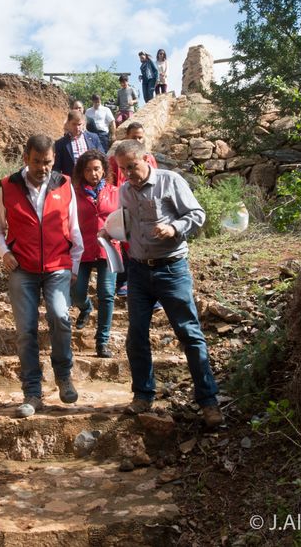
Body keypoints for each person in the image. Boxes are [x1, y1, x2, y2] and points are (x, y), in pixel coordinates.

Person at [109, 139, 224, 428]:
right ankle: (143, 395)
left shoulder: (171, 181)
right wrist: (111, 230)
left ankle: (209, 403)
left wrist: (174, 227)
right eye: (123, 169)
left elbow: (197, 214)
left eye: (132, 167)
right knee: (135, 335)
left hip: (172, 270)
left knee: (189, 333)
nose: (128, 175)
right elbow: (125, 224)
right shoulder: (124, 191)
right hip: (137, 272)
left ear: (145, 159)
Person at [0, 135, 84, 418]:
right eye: (36, 162)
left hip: (57, 266)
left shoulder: (65, 185)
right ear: (25, 158)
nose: (43, 168)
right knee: (26, 330)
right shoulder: (9, 186)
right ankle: (32, 392)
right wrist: (4, 252)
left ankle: (64, 376)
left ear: (54, 159)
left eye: (47, 162)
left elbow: (75, 228)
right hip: (22, 269)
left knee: (60, 316)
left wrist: (75, 267)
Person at [71, 150, 120, 358]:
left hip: (108, 248)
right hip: (81, 248)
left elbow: (123, 220)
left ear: (104, 169)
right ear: (82, 172)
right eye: (89, 169)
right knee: (76, 292)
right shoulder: (73, 193)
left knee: (107, 294)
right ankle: (86, 307)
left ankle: (102, 342)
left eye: (97, 168)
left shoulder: (116, 192)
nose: (93, 173)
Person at [108, 122, 158, 299]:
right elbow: (111, 181)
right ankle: (122, 281)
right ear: (127, 137)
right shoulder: (115, 160)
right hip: (123, 203)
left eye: (140, 136)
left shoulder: (148, 157)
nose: (138, 139)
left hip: (143, 206)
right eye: (134, 137)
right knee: (123, 241)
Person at [54, 110, 103, 177]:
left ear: (83, 124)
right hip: (72, 180)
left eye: (79, 124)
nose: (77, 127)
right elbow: (56, 168)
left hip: (92, 178)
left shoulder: (93, 138)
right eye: (74, 124)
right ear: (68, 123)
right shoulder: (60, 144)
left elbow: (102, 157)